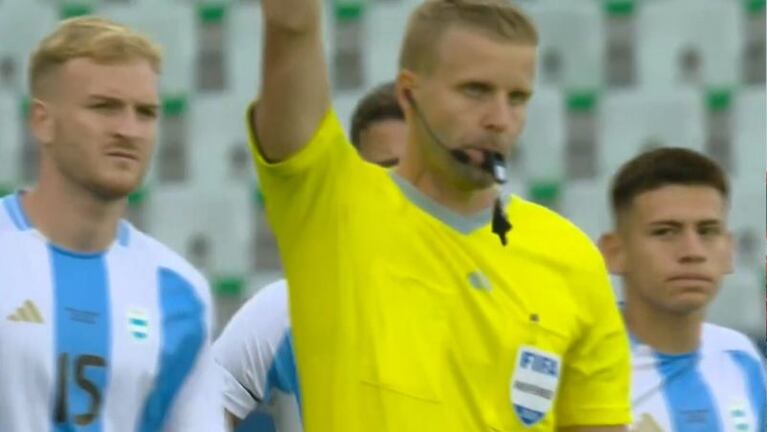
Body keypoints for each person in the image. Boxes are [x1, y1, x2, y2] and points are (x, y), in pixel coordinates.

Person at [248, 0, 631, 430]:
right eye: (475, 91)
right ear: (409, 93)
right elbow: (291, 25)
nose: (499, 120)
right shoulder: (330, 204)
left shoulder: (571, 260)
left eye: (517, 98)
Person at [0, 17, 224, 431]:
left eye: (145, 113)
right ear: (41, 121)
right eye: (104, 107)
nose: (128, 130)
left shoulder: (180, 291)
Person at [214, 81, 406, 432]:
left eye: (420, 174)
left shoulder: (502, 299)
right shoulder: (295, 307)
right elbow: (201, 406)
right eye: (386, 171)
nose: (405, 190)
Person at [598, 148, 766, 431]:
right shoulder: (584, 367)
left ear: (729, 251)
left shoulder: (742, 358)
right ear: (614, 252)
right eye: (665, 231)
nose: (693, 252)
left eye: (707, 231)